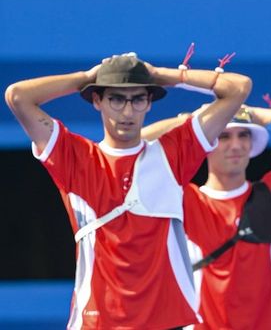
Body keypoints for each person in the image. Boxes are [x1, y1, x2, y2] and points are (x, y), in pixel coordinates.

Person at [4, 54, 252, 329]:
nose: (127, 112)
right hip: (97, 323)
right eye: (116, 99)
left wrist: (160, 74)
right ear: (97, 101)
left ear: (149, 103)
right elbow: (18, 96)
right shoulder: (73, 157)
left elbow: (238, 88)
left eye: (138, 99)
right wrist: (88, 77)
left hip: (167, 322)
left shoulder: (174, 153)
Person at [142, 103, 271, 330]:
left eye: (243, 134)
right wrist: (194, 121)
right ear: (206, 142)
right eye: (224, 136)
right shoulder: (185, 199)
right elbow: (138, 148)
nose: (236, 145)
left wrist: (263, 114)